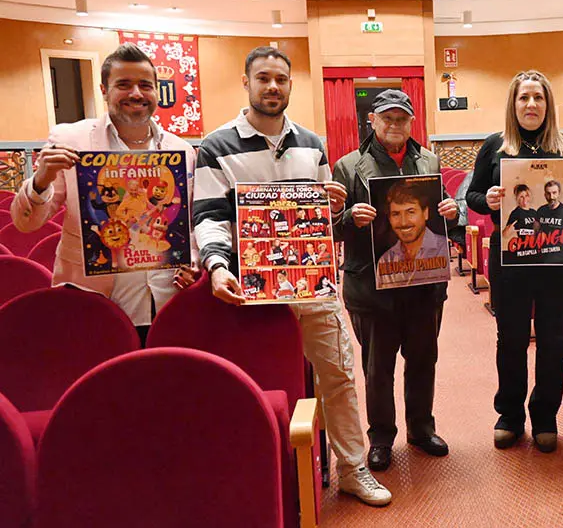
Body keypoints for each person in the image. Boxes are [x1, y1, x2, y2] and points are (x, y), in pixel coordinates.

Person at [192, 46, 391, 506]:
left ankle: (352, 468)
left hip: (313, 284)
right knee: (257, 381)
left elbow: (321, 216)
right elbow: (208, 218)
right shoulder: (217, 145)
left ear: (290, 85)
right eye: (263, 78)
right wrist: (218, 266)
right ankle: (257, 471)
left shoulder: (312, 143)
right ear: (247, 83)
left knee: (339, 374)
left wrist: (331, 206)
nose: (273, 87)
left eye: (280, 79)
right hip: (250, 289)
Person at [8, 43, 199, 345]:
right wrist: (42, 178)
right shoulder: (71, 139)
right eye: (123, 84)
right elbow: (25, 223)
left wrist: (193, 260)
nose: (136, 93)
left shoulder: (182, 150)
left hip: (165, 298)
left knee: (162, 383)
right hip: (93, 298)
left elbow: (187, 222)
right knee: (106, 387)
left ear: (156, 92)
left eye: (145, 85)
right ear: (104, 90)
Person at [467, 70, 563, 453]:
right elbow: (471, 197)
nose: (532, 105)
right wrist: (485, 199)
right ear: (513, 104)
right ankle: (509, 415)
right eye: (524, 98)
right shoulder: (494, 147)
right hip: (510, 259)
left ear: (548, 104)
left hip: (556, 257)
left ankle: (545, 416)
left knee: (553, 339)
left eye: (538, 98)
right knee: (512, 338)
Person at [333, 89, 458, 472]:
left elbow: (446, 220)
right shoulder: (348, 166)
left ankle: (421, 429)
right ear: (372, 121)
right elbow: (330, 228)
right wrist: (349, 216)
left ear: (411, 122)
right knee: (378, 366)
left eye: (401, 118)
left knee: (423, 359)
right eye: (386, 118)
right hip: (372, 287)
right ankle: (381, 437)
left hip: (423, 284)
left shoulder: (430, 161)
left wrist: (452, 213)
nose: (394, 125)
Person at [375, 179, 451, 288]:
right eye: (396, 214)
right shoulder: (385, 260)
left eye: (411, 212)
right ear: (389, 219)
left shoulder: (442, 247)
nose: (404, 222)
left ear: (425, 213)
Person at [536, 179, 563, 263]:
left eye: (554, 193)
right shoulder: (541, 210)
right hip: (542, 254)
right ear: (545, 195)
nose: (551, 197)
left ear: (559, 193)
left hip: (560, 255)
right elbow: (535, 231)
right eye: (548, 193)